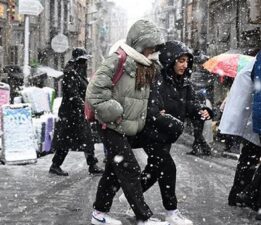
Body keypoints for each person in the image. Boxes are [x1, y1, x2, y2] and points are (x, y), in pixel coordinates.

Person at [86, 20, 169, 225]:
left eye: (155, 47)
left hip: (123, 127)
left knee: (114, 172)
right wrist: (115, 112)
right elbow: (95, 91)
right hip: (110, 125)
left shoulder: (145, 66)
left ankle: (99, 214)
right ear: (140, 44)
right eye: (150, 46)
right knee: (130, 169)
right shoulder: (118, 59)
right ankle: (143, 217)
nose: (153, 51)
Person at [121, 41, 212, 225]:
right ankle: (172, 212)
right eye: (181, 60)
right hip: (151, 134)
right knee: (168, 168)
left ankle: (132, 195)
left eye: (187, 61)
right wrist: (174, 122)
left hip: (167, 136)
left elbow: (192, 105)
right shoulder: (158, 79)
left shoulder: (185, 84)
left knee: (154, 170)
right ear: (171, 60)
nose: (184, 65)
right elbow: (153, 111)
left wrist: (204, 111)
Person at [49, 47, 104, 176]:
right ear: (79, 61)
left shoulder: (78, 73)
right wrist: (83, 106)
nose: (86, 63)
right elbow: (73, 94)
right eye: (84, 60)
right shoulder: (71, 73)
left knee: (85, 139)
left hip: (76, 114)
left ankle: (92, 164)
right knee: (67, 141)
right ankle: (56, 165)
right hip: (70, 114)